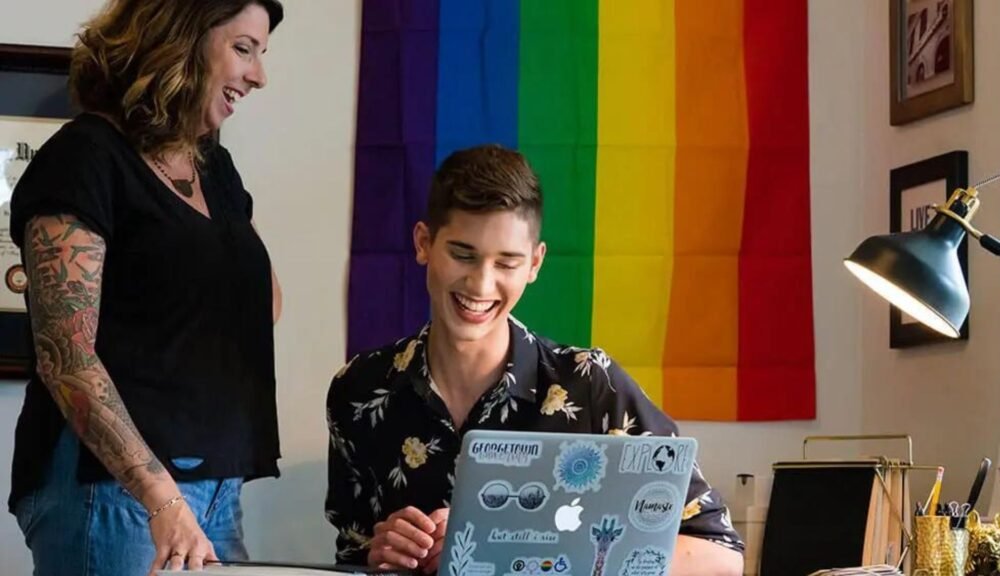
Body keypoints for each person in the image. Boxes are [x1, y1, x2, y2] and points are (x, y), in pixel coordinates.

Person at [326, 145, 744, 576]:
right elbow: (349, 556)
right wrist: (378, 555)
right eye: (463, 254)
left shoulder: (592, 384)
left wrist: (518, 544)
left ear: (535, 264)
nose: (481, 283)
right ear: (423, 243)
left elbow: (721, 556)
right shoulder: (358, 390)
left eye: (507, 262)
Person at [8, 1, 284, 574]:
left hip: (214, 486)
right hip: (112, 493)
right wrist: (162, 498)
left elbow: (264, 303)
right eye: (243, 49)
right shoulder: (84, 158)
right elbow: (68, 359)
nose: (258, 75)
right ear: (179, 37)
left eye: (261, 54)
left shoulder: (213, 168)